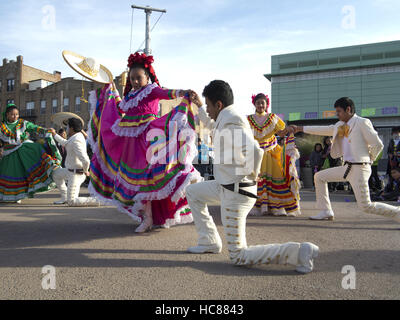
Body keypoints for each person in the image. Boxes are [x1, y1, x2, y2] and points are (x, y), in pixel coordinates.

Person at [185, 81, 319, 274]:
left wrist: (246, 179)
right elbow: (211, 125)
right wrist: (198, 106)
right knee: (193, 192)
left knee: (238, 256)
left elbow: (255, 151)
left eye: (208, 105)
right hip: (226, 186)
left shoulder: (232, 120)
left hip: (236, 191)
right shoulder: (226, 117)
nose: (207, 108)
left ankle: (299, 252)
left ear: (219, 105)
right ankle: (209, 241)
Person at [87, 52, 201, 232]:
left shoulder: (151, 90)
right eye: (132, 78)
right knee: (138, 181)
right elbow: (118, 108)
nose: (135, 81)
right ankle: (146, 218)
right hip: (131, 145)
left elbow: (168, 93)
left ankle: (153, 216)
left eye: (138, 78)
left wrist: (184, 93)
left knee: (151, 177)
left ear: (147, 77)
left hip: (150, 139)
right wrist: (110, 91)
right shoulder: (130, 97)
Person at [290, 97, 400, 222]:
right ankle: (325, 210)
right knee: (319, 177)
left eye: (339, 111)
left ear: (348, 109)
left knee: (366, 206)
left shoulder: (362, 122)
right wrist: (300, 128)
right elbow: (325, 130)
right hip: (347, 167)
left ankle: (397, 213)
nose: (337, 114)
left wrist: (369, 159)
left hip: (360, 169)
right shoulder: (340, 125)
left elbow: (378, 144)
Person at [246, 93, 301, 217]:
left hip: (271, 152)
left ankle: (277, 206)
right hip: (256, 154)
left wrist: (289, 129)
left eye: (262, 103)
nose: (260, 105)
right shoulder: (248, 119)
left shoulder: (273, 118)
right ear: (254, 104)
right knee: (256, 180)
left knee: (276, 178)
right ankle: (258, 205)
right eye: (258, 102)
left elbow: (281, 133)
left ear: (266, 105)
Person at [0, 104, 60, 202]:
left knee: (22, 173)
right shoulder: (2, 127)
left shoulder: (22, 123)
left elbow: (35, 128)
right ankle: (10, 196)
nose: (15, 116)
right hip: (8, 155)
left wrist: (47, 130)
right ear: (7, 115)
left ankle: (19, 196)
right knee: (10, 174)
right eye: (12, 114)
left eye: (16, 114)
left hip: (22, 153)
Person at [49, 118, 99, 207]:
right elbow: (65, 143)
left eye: (67, 126)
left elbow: (86, 160)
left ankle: (98, 200)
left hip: (76, 174)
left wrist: (85, 170)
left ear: (71, 128)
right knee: (55, 174)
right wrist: (55, 134)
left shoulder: (76, 140)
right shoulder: (75, 137)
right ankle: (65, 197)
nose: (66, 128)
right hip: (70, 170)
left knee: (72, 202)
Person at [385, 127, 400, 193]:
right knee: (391, 175)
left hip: (398, 162)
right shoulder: (391, 141)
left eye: (397, 133)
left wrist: (398, 154)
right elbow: (388, 151)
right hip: (391, 162)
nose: (395, 134)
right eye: (394, 133)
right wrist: (390, 154)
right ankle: (390, 189)